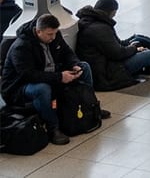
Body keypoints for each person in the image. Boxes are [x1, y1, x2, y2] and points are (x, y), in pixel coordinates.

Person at [1, 14, 110, 146]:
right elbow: (28, 75)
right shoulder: (22, 46)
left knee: (84, 67)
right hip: (19, 87)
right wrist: (60, 77)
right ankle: (53, 128)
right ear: (38, 31)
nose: (53, 37)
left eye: (55, 33)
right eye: (49, 34)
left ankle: (91, 106)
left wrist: (74, 64)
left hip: (50, 75)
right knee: (42, 89)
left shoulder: (54, 36)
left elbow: (67, 53)